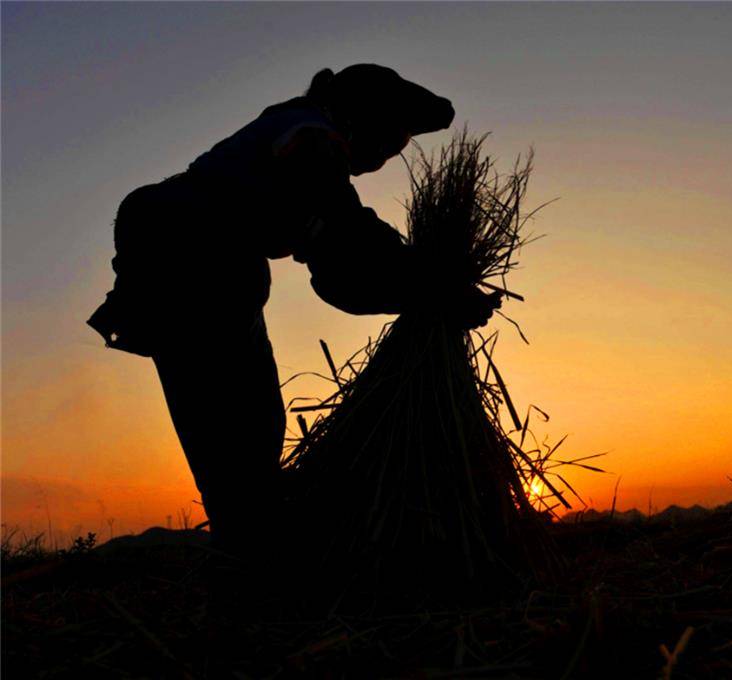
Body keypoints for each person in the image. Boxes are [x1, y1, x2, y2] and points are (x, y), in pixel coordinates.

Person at [87, 64, 501, 558]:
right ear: (364, 118)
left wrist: (416, 284)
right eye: (391, 144)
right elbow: (345, 250)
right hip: (188, 255)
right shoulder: (312, 139)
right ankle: (256, 565)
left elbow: (338, 264)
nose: (382, 163)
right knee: (238, 426)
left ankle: (249, 553)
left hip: (183, 256)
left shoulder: (296, 126)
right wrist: (435, 288)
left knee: (232, 428)